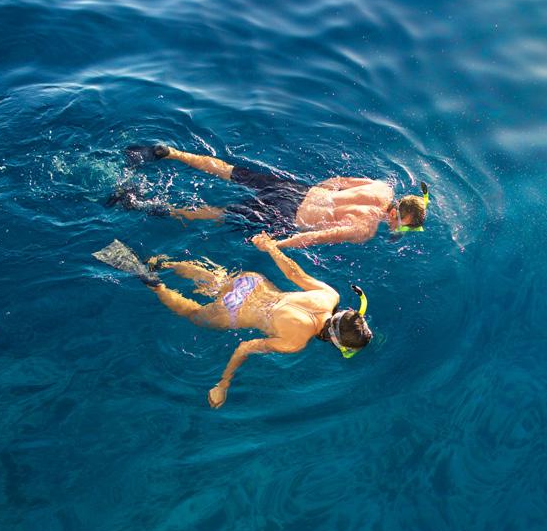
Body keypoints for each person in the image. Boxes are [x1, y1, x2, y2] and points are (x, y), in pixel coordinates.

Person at [92, 231, 373, 409]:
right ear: (337, 342)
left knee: (215, 281)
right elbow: (244, 347)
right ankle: (153, 282)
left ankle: (164, 263)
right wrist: (223, 384)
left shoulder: (330, 295)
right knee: (194, 315)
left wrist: (270, 247)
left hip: (252, 282)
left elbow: (294, 274)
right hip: (234, 310)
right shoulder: (295, 342)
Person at [107, 143, 429, 248]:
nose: (399, 229)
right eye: (404, 225)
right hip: (287, 216)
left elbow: (339, 180)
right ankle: (141, 205)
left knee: (231, 171)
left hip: (298, 191)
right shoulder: (366, 228)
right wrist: (278, 245)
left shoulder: (382, 187)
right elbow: (316, 237)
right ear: (396, 215)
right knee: (221, 213)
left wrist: (318, 193)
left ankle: (171, 153)